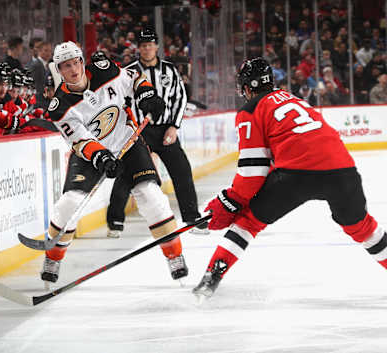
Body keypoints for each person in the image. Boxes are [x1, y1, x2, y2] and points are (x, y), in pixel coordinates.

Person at [193, 57, 387, 299]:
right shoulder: (295, 99)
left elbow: (253, 172)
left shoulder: (250, 110)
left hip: (297, 174)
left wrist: (230, 200)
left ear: (246, 87)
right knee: (362, 227)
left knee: (247, 222)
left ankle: (209, 282)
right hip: (342, 170)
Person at [40, 41, 189, 284]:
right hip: (90, 154)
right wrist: (101, 156)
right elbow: (80, 140)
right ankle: (53, 258)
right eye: (66, 66)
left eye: (75, 63)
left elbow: (134, 78)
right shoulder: (59, 107)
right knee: (70, 203)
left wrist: (147, 94)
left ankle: (174, 256)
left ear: (81, 61)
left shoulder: (104, 70)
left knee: (151, 196)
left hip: (128, 141)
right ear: (59, 70)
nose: (73, 70)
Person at [105, 28, 206, 238]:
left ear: (157, 46)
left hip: (164, 130)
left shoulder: (170, 70)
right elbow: (120, 101)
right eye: (143, 45)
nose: (147, 48)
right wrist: (129, 127)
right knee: (126, 173)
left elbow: (180, 98)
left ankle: (191, 217)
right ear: (138, 48)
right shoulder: (129, 72)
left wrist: (174, 126)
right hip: (139, 132)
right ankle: (114, 221)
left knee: (182, 171)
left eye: (150, 44)